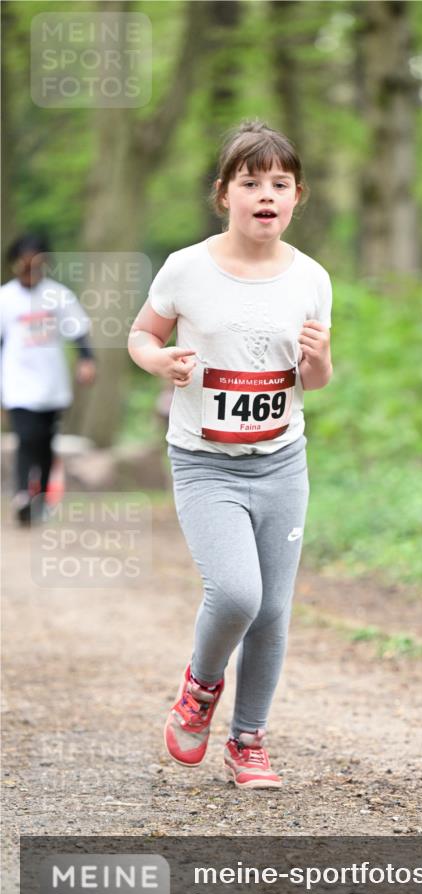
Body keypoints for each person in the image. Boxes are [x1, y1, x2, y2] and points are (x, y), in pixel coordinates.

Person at [128, 119, 333, 789]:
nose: (265, 194)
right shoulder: (186, 268)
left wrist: (321, 362)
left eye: (278, 183)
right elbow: (141, 334)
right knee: (237, 592)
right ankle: (199, 686)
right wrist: (158, 359)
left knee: (273, 609)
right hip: (204, 460)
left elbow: (315, 381)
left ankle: (248, 740)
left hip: (281, 461)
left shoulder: (311, 278)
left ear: (297, 195)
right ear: (224, 194)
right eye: (250, 182)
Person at [0, 233, 97, 526]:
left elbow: (77, 329)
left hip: (51, 381)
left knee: (44, 442)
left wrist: (87, 359)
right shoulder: (5, 297)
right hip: (17, 379)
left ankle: (40, 496)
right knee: (26, 437)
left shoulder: (58, 295)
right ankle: (21, 494)